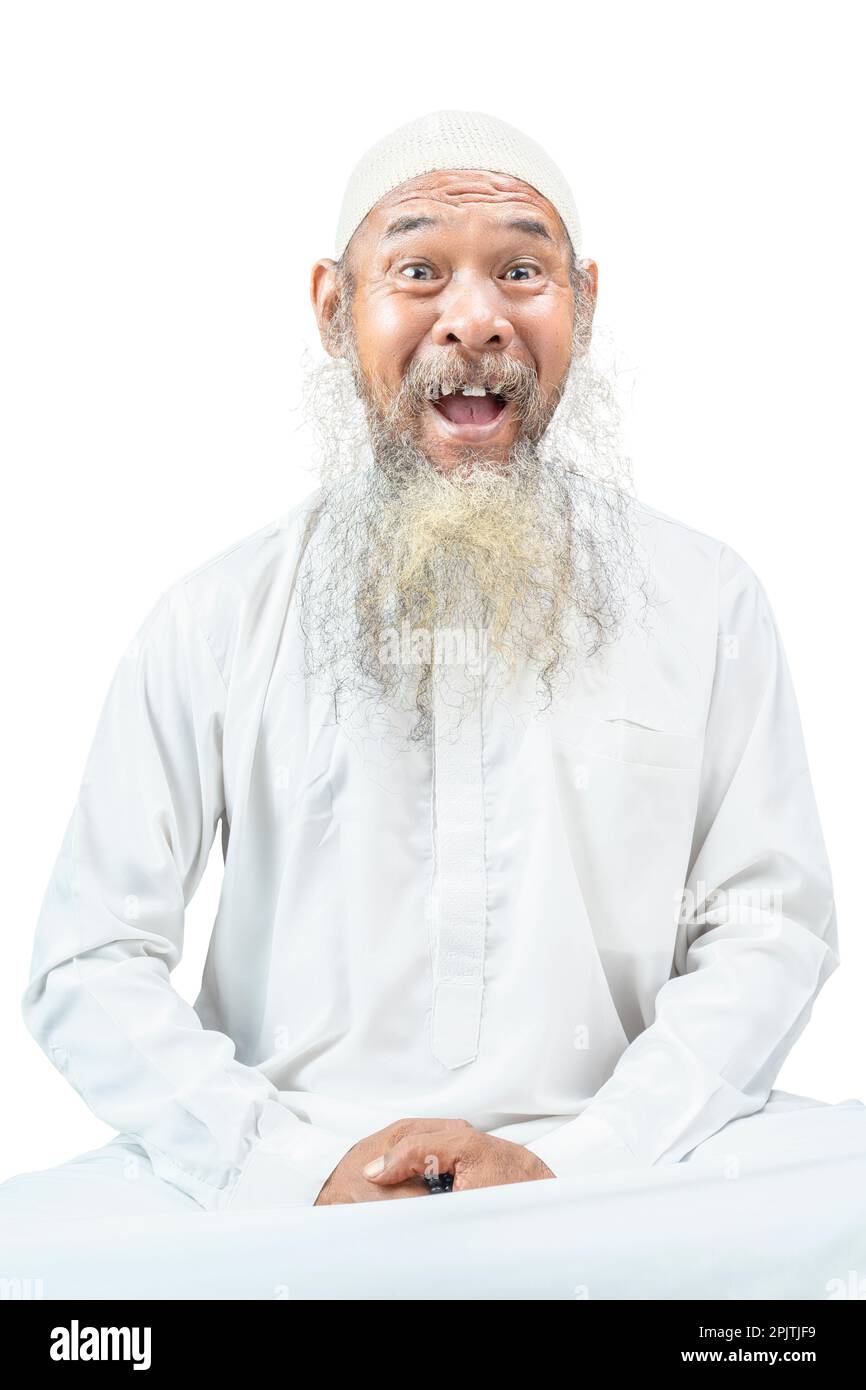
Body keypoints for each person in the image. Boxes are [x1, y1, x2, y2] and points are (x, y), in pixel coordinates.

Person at [1, 110, 859, 1241]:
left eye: (520, 270)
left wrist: (579, 1161)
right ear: (330, 307)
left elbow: (767, 926)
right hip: (285, 1164)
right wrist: (292, 1168)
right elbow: (89, 956)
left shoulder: (704, 597)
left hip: (629, 1159)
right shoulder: (216, 616)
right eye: (417, 269)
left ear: (583, 306)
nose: (473, 317)